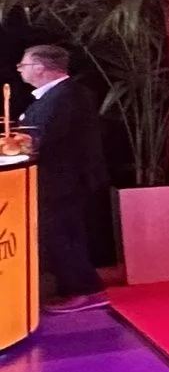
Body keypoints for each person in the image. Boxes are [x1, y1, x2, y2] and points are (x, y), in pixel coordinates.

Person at [17, 44, 108, 305]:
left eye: (23, 65)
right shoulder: (61, 95)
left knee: (61, 235)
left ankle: (84, 290)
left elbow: (39, 138)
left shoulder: (63, 97)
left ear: (40, 67)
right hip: (64, 179)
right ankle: (81, 286)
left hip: (62, 180)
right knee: (65, 233)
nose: (20, 71)